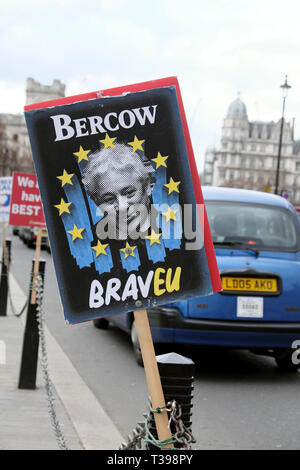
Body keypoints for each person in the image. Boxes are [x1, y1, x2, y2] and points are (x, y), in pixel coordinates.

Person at [82, 142, 156, 241]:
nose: (122, 207)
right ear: (96, 201)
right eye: (109, 199)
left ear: (147, 187)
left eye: (129, 193)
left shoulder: (176, 225)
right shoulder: (89, 241)